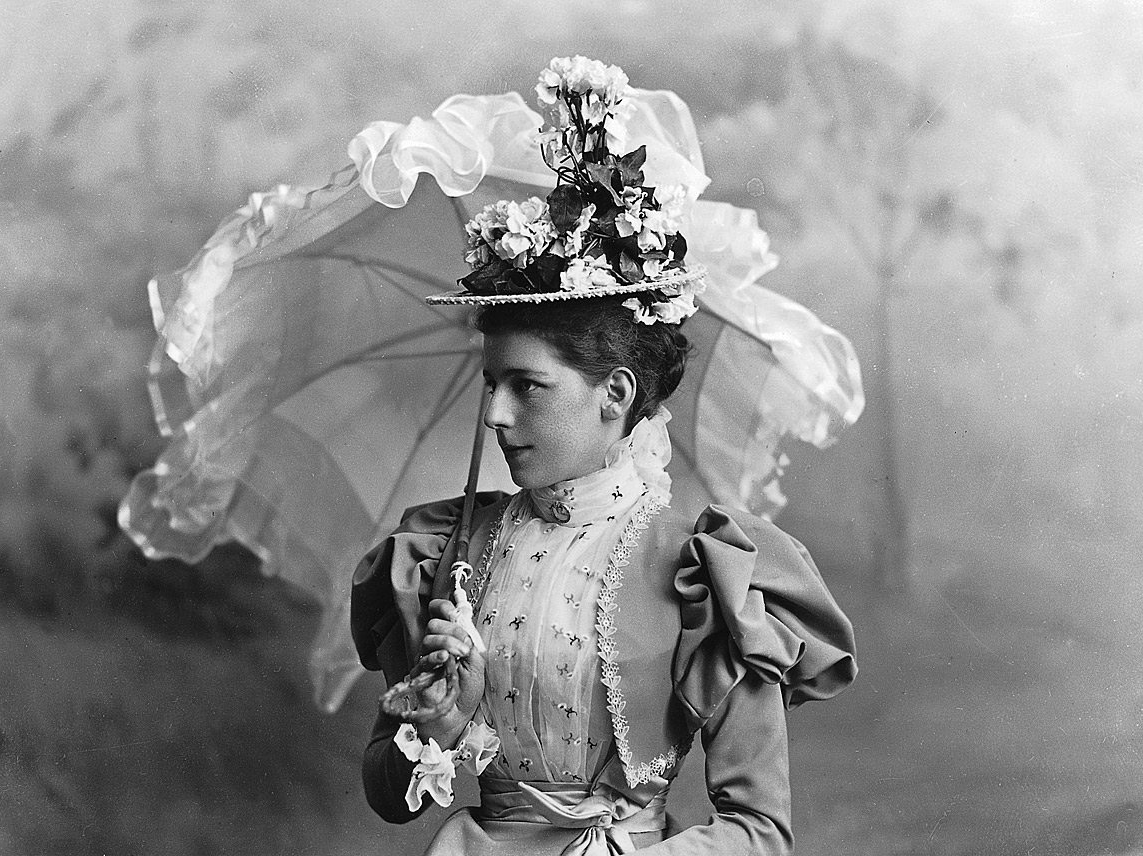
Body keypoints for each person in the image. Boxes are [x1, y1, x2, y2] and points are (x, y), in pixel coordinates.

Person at [350, 57, 857, 855]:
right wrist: (439, 728)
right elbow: (388, 794)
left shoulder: (700, 570)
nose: (497, 415)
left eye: (527, 386)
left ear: (615, 394)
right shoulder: (443, 551)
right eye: (491, 384)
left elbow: (761, 833)